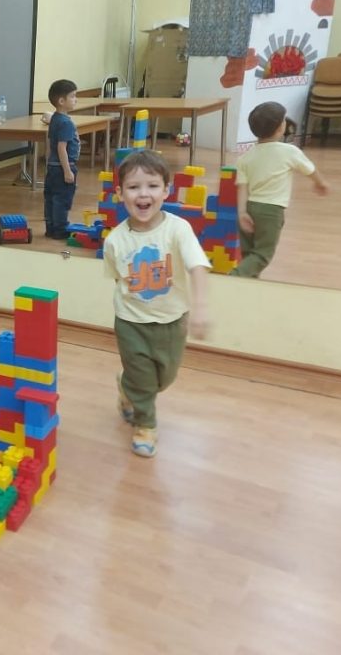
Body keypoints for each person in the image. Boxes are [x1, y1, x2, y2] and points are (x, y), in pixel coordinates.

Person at [102, 150, 210, 458]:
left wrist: (200, 307)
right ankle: (145, 425)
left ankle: (127, 386)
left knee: (165, 378)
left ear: (166, 190)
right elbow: (118, 278)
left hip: (173, 320)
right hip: (131, 322)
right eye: (133, 187)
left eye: (152, 185)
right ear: (120, 193)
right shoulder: (115, 240)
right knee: (145, 381)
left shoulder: (178, 229)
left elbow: (197, 266)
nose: (143, 194)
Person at [231, 101, 329, 278]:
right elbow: (310, 170)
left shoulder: (245, 158)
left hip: (250, 207)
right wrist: (320, 183)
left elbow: (242, 188)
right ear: (280, 128)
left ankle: (246, 286)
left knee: (249, 255)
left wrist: (242, 213)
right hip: (271, 211)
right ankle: (234, 278)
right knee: (262, 255)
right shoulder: (290, 151)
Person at [43, 79, 80, 239]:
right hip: (63, 166)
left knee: (51, 198)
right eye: (72, 96)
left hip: (53, 166)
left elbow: (49, 143)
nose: (75, 99)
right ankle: (60, 230)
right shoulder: (66, 123)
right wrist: (67, 171)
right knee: (62, 199)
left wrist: (48, 163)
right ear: (61, 101)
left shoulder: (55, 119)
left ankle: (50, 228)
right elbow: (61, 148)